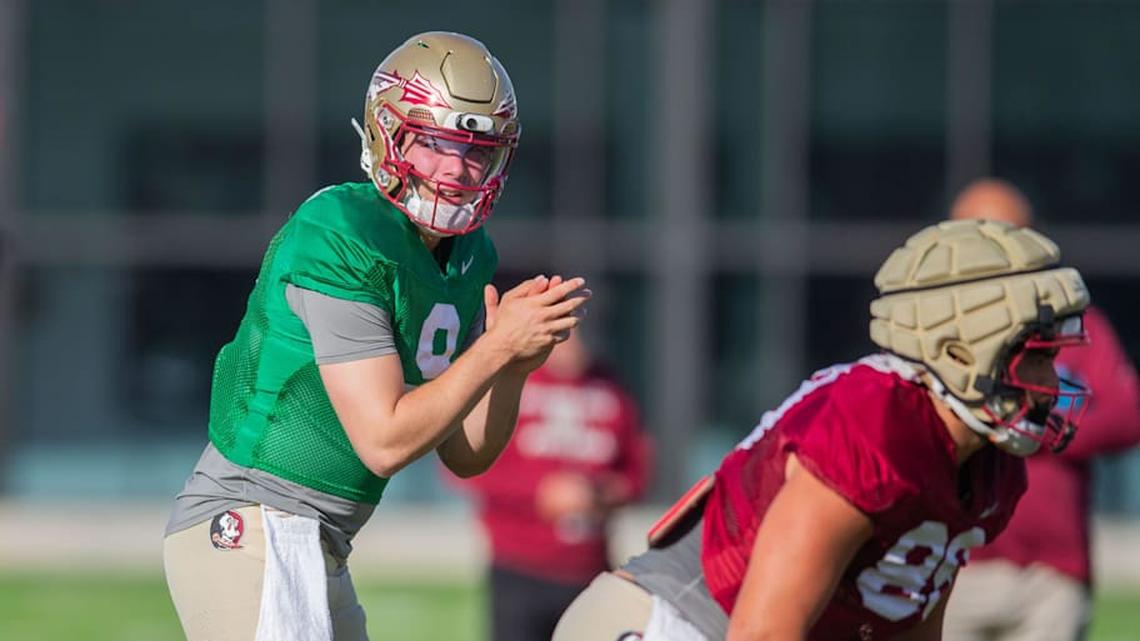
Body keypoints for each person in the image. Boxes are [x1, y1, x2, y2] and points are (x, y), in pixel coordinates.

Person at [162, 32, 590, 641]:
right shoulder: (343, 232)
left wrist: (513, 365)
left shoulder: (470, 256)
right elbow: (385, 441)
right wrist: (494, 347)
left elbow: (465, 454)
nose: (457, 168)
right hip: (253, 521)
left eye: (477, 150)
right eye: (438, 143)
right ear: (389, 134)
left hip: (322, 541)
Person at [552, 219, 1092, 641]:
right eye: (1036, 360)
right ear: (959, 350)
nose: (1050, 384)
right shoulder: (875, 423)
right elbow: (765, 629)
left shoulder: (990, 464)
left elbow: (908, 615)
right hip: (673, 619)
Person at [942, 179, 1140, 641]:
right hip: (954, 562)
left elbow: (1124, 413)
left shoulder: (1074, 322)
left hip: (1047, 571)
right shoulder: (936, 331)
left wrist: (1029, 428)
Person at [451, 328, 652, 641]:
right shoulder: (515, 381)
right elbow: (467, 466)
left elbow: (637, 471)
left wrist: (602, 494)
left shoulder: (612, 388)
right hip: (520, 566)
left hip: (589, 568)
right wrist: (540, 492)